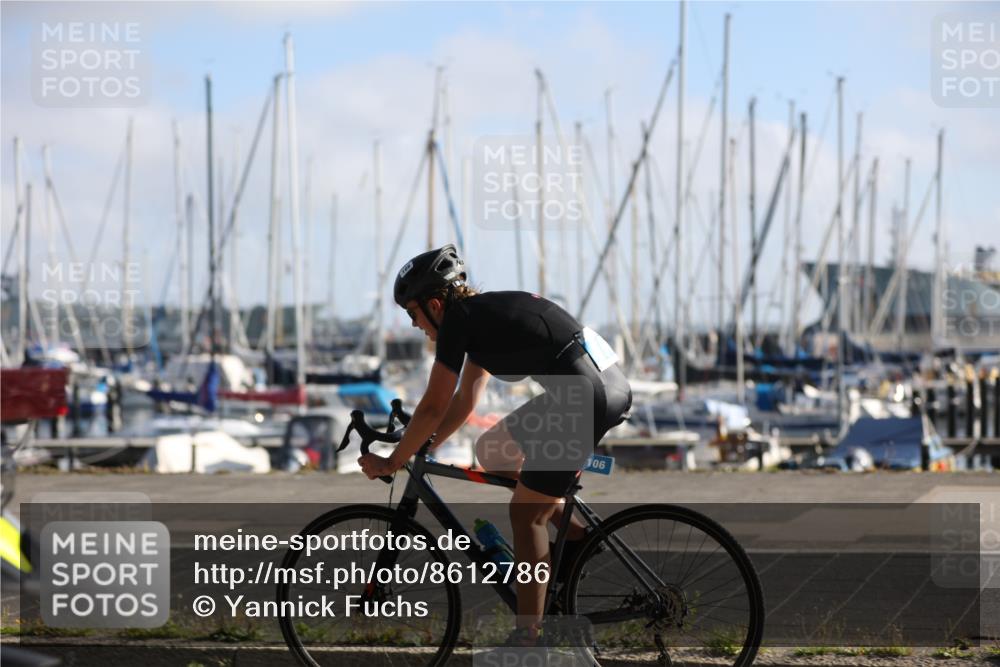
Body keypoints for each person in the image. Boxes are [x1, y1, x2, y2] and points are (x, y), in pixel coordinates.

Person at [359, 244, 632, 648]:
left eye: (412, 313)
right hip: (590, 387)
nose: (414, 324)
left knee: (526, 515)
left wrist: (394, 461)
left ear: (434, 304)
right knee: (494, 451)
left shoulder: (460, 323)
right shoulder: (480, 320)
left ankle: (529, 635)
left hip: (584, 396)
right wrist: (425, 445)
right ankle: (575, 538)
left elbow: (434, 403)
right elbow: (465, 398)